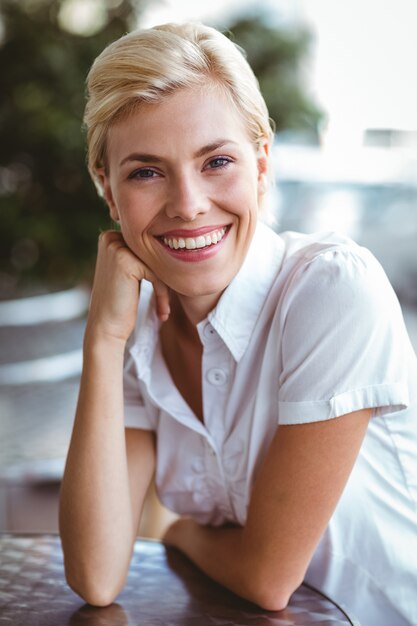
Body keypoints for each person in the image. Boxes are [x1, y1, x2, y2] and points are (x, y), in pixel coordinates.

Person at [59, 22, 417, 626]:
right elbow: (96, 575)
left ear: (260, 164)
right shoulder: (138, 331)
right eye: (146, 171)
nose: (189, 202)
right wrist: (103, 339)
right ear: (110, 193)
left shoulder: (331, 289)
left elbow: (268, 576)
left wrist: (180, 533)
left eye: (216, 161)